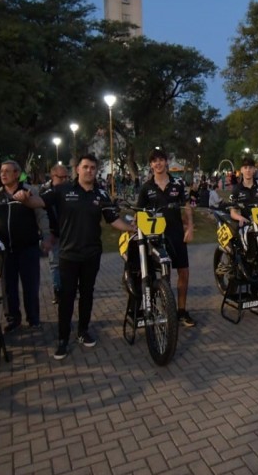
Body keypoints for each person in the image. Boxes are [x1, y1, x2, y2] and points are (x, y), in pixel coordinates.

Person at [15, 153, 136, 360]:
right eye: (85, 167)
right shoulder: (63, 190)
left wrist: (132, 229)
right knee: (67, 298)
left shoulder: (101, 195)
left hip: (92, 254)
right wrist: (25, 198)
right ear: (78, 169)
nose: (89, 170)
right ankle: (62, 339)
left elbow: (113, 220)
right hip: (69, 254)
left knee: (87, 295)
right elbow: (38, 202)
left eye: (93, 168)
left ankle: (83, 331)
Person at [136, 149, 197, 328]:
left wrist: (190, 227)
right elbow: (140, 213)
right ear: (151, 165)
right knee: (163, 275)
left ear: (166, 162)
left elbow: (186, 207)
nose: (158, 163)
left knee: (183, 272)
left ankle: (181, 311)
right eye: (154, 161)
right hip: (156, 237)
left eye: (161, 160)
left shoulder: (177, 183)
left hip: (176, 234)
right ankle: (164, 311)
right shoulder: (146, 187)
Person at [0, 160, 49, 332]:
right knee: (8, 287)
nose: (3, 174)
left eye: (7, 171)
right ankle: (13, 319)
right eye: (1, 171)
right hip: (5, 250)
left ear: (17, 174)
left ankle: (33, 318)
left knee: (30, 286)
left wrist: (46, 236)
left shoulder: (29, 191)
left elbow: (41, 215)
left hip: (27, 247)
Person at [41, 164, 69, 306]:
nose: (65, 180)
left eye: (66, 177)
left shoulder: (70, 190)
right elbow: (42, 214)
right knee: (55, 264)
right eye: (61, 177)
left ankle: (69, 288)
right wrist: (48, 233)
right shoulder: (45, 193)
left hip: (69, 233)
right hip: (54, 233)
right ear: (53, 177)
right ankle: (58, 290)